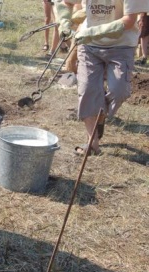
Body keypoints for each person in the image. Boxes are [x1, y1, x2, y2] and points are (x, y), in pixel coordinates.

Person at [55, 0, 149, 156]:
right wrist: (64, 20)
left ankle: (100, 115)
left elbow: (128, 21)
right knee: (87, 90)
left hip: (122, 46)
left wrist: (91, 32)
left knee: (119, 91)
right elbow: (64, 3)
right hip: (89, 45)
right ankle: (92, 145)